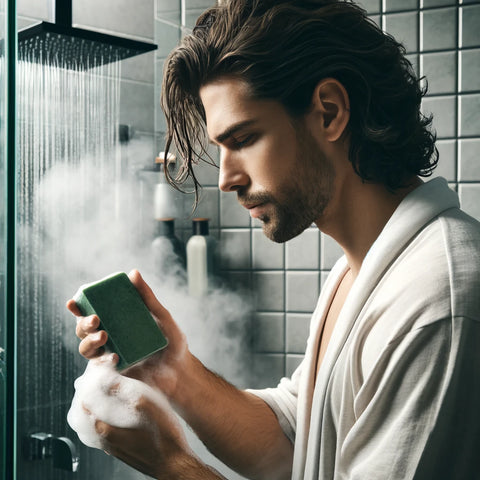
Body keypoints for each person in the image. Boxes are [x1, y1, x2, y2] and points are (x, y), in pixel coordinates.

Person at [67, 0, 480, 479]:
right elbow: (296, 444)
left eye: (242, 139)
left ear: (328, 112)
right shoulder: (361, 270)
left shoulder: (438, 299)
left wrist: (172, 464)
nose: (225, 179)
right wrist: (169, 369)